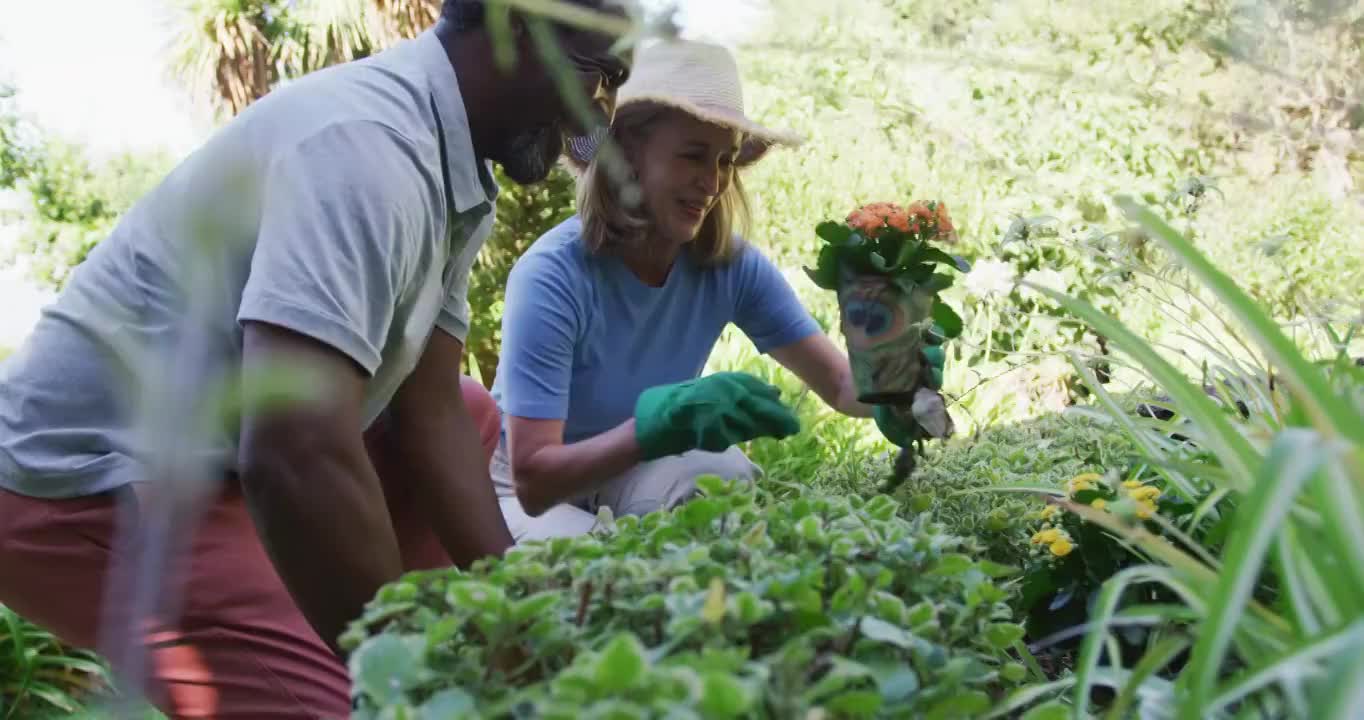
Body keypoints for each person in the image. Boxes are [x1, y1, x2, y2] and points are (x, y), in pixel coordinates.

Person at [0, 1, 631, 717]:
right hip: (83, 481)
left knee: (469, 407)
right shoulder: (369, 147)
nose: (596, 115)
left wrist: (518, 606)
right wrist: (402, 675)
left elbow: (428, 409)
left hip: (221, 459)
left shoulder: (452, 169)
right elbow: (291, 448)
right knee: (357, 705)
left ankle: (383, 627)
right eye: (596, 72)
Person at [489, 39, 940, 541]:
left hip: (627, 471)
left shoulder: (729, 265)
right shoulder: (553, 275)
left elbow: (837, 385)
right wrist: (653, 429)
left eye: (725, 161)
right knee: (603, 570)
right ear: (627, 154)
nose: (713, 181)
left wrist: (893, 381)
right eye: (693, 156)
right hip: (524, 495)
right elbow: (533, 478)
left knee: (720, 479)